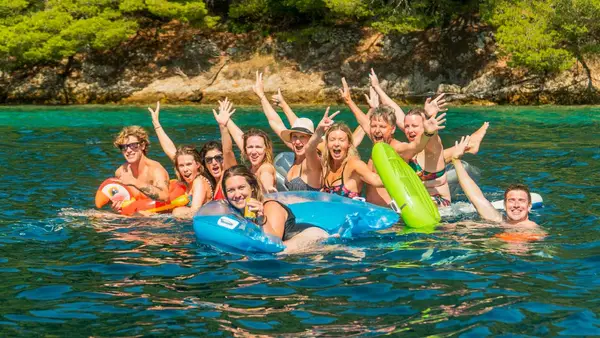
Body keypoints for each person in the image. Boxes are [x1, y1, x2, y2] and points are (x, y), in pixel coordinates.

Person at [252, 71, 367, 191]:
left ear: (311, 139)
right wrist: (262, 97)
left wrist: (320, 131)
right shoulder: (296, 151)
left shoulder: (313, 159)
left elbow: (351, 141)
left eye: (302, 137)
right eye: (295, 137)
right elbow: (275, 122)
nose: (297, 141)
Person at [222, 165, 329, 253]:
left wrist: (261, 218)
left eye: (241, 188)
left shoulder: (270, 207)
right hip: (292, 243)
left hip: (311, 237)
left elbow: (273, 245)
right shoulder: (236, 211)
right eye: (231, 190)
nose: (237, 194)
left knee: (279, 253)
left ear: (252, 187)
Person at [451, 136, 542, 229]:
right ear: (504, 205)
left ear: (529, 206)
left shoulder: (533, 230)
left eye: (521, 200)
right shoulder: (498, 220)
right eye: (511, 200)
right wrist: (456, 160)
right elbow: (475, 196)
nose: (516, 205)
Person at [150, 101, 236, 200]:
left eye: (218, 158)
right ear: (202, 164)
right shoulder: (206, 179)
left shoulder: (228, 176)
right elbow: (173, 153)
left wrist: (223, 126)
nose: (214, 162)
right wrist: (157, 125)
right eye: (209, 160)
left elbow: (228, 151)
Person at [112, 126, 170, 211]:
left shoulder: (155, 170)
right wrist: (117, 204)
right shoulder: (121, 172)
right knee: (95, 216)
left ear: (142, 146)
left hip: (158, 219)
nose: (128, 150)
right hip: (133, 218)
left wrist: (133, 181)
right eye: (123, 147)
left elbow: (164, 197)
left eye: (133, 145)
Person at [222, 114, 277, 193]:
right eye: (250, 147)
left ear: (266, 149)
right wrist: (227, 121)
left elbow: (266, 176)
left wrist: (269, 188)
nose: (254, 152)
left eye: (258, 147)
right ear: (245, 150)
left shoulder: (266, 167)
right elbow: (239, 137)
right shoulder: (251, 168)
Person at [170, 146, 214, 218]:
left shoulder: (199, 182)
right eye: (181, 165)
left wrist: (175, 212)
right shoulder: (186, 183)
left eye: (189, 164)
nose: (185, 169)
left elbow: (195, 213)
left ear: (197, 165)